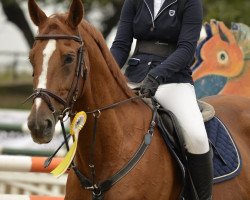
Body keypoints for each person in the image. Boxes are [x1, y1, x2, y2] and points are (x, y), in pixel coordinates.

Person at [110, 0, 213, 199]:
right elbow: (121, 46)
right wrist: (105, 73)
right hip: (135, 78)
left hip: (173, 80)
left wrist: (157, 75)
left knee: (197, 138)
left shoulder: (190, 3)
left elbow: (186, 49)